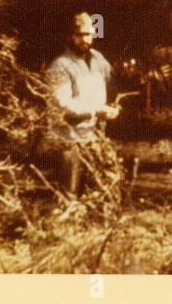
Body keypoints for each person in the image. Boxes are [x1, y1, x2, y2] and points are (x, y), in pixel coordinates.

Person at [44, 12, 119, 194]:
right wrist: (97, 110)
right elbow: (62, 105)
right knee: (70, 192)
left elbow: (114, 80)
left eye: (90, 34)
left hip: (93, 137)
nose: (86, 40)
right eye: (80, 35)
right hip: (69, 139)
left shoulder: (98, 59)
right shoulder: (59, 66)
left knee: (98, 192)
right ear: (70, 36)